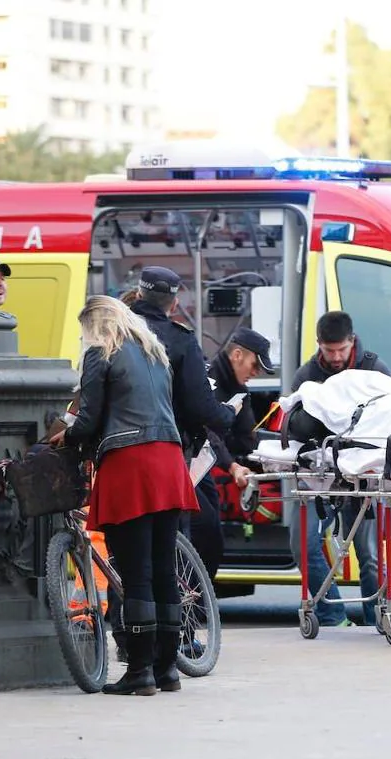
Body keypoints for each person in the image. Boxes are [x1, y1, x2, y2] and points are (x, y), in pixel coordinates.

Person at [58, 295, 201, 696]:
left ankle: (139, 672)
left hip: (130, 463)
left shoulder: (101, 352)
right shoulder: (154, 353)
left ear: (93, 326)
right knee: (163, 569)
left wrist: (66, 436)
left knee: (136, 572)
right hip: (169, 461)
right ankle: (167, 670)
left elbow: (87, 419)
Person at [291, 311, 391, 626]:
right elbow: (293, 425)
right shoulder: (306, 376)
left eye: (341, 350)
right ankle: (332, 614)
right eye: (328, 350)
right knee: (302, 545)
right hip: (319, 475)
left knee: (370, 557)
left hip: (364, 478)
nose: (335, 357)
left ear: (353, 341)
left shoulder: (375, 370)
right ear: (319, 344)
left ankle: (378, 620)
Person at [129, 267, 236, 563]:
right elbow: (201, 405)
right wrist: (228, 414)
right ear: (174, 304)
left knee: (125, 542)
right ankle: (175, 608)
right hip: (167, 453)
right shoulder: (180, 340)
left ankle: (124, 608)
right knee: (171, 540)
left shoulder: (114, 333)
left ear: (139, 294)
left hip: (118, 454)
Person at [202, 328, 275, 578]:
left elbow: (247, 439)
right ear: (236, 355)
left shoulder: (240, 389)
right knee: (206, 537)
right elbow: (208, 435)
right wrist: (232, 466)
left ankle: (197, 603)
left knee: (211, 541)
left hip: (210, 469)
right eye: (255, 366)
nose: (255, 373)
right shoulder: (207, 381)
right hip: (193, 468)